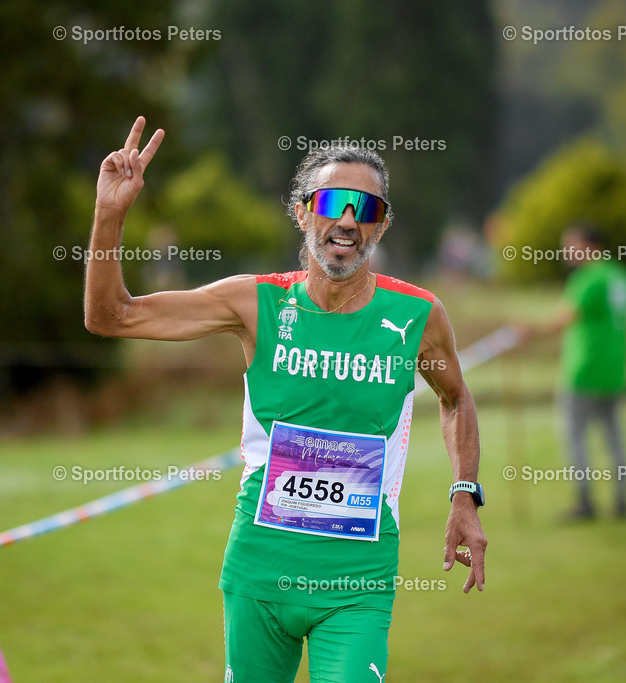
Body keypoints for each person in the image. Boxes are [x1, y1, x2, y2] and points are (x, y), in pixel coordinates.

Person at [84, 117, 487, 682]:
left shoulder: (419, 315)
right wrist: (110, 215)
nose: (348, 220)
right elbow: (111, 316)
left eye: (366, 208)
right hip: (259, 570)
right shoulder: (255, 304)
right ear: (302, 212)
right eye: (333, 202)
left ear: (382, 226)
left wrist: (464, 494)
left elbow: (454, 398)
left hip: (357, 579)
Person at [515, 226, 626, 520]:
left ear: (591, 245)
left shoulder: (589, 278)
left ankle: (585, 502)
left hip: (584, 370)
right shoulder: (621, 277)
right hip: (616, 369)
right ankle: (622, 501)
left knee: (575, 437)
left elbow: (566, 318)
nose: (567, 253)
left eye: (572, 245)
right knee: (614, 436)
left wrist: (529, 333)